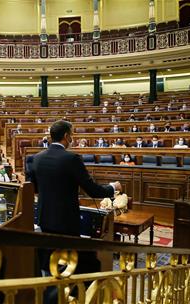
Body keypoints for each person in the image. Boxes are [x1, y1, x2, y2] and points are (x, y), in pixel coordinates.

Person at [28, 120, 120, 297]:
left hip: (44, 218)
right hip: (66, 221)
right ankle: (69, 295)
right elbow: (93, 190)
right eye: (72, 134)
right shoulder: (71, 159)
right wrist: (113, 187)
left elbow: (35, 188)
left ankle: (50, 295)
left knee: (48, 260)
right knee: (70, 261)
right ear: (66, 136)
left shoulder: (36, 158)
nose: (72, 137)